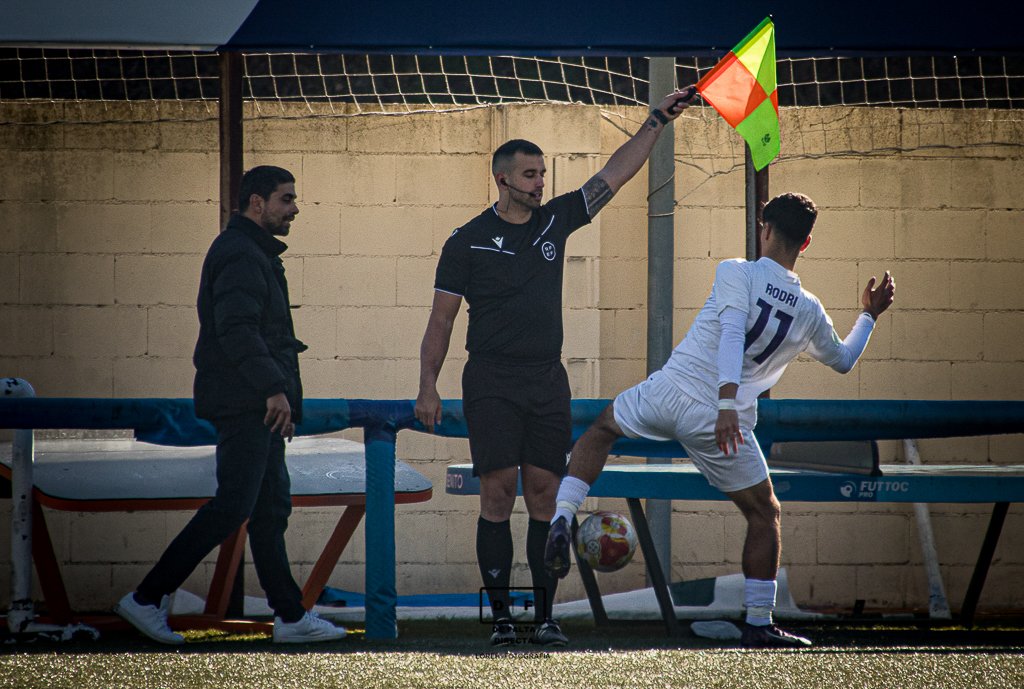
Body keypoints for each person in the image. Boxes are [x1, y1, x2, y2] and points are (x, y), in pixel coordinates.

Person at [544, 192, 896, 648]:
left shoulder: (737, 270)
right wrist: (868, 314)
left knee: (601, 430)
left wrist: (727, 403)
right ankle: (758, 622)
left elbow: (732, 331)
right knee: (764, 513)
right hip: (718, 423)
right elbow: (844, 360)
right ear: (806, 243)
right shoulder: (809, 309)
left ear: (765, 230)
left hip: (672, 393)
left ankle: (563, 515)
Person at [415, 87, 698, 647]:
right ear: (502, 180)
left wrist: (655, 121)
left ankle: (545, 618)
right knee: (498, 494)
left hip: (547, 379)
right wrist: (427, 386)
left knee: (546, 493)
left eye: (543, 174)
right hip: (491, 380)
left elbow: (613, 176)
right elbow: (441, 321)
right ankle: (501, 620)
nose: (540, 183)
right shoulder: (466, 241)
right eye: (529, 175)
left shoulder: (554, 221)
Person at [115, 166, 346, 645]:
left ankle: (290, 616)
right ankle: (146, 597)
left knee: (270, 508)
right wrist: (274, 389)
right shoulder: (240, 252)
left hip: (259, 403)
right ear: (257, 203)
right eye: (286, 199)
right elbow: (237, 330)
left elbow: (256, 332)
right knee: (233, 506)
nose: (295, 209)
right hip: (248, 403)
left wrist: (277, 394)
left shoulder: (251, 251)